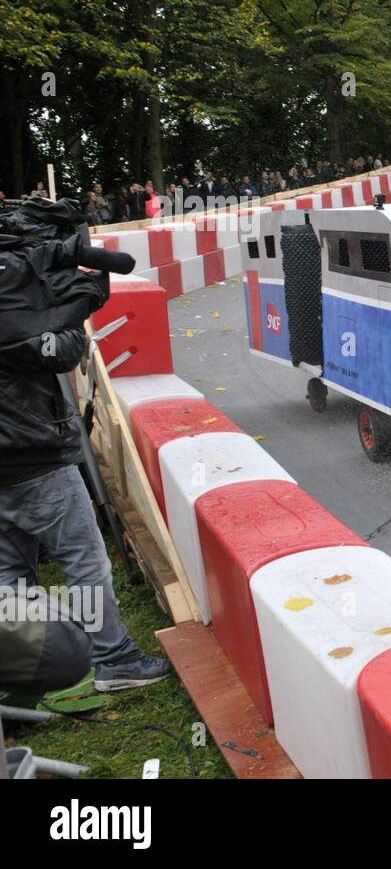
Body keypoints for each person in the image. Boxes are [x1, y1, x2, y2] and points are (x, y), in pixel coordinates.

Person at [0, 202, 173, 692]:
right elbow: (56, 353)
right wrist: (73, 313)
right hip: (33, 455)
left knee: (10, 573)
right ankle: (113, 657)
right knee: (84, 563)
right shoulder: (19, 296)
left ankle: (20, 672)